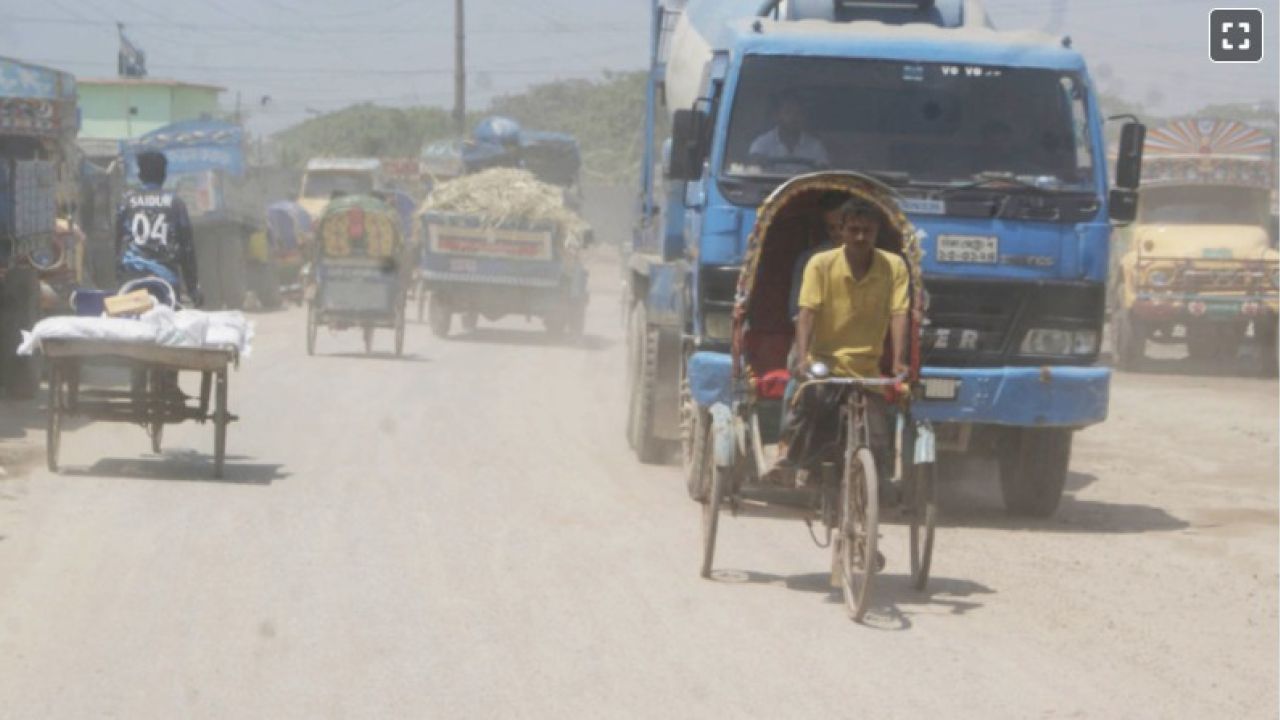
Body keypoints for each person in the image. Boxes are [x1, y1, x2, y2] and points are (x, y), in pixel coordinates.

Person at [767, 197, 909, 497]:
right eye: (853, 230)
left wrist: (898, 361)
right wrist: (804, 357)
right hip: (823, 359)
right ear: (841, 232)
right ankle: (791, 455)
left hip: (866, 366)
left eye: (867, 231)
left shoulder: (893, 266)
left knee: (879, 433)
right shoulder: (820, 263)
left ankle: (876, 483)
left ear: (876, 233)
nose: (860, 237)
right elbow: (806, 313)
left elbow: (899, 314)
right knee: (810, 403)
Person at [116, 150, 201, 306]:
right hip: (165, 282)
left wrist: (120, 275)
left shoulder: (126, 202)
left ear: (140, 175)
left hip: (132, 278)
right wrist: (192, 287)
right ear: (164, 175)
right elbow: (187, 248)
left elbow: (118, 242)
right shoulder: (176, 203)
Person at [748, 91, 830, 171]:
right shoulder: (762, 144)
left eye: (798, 113)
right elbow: (753, 169)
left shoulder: (815, 146)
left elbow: (822, 174)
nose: (794, 117)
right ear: (777, 115)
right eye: (788, 112)